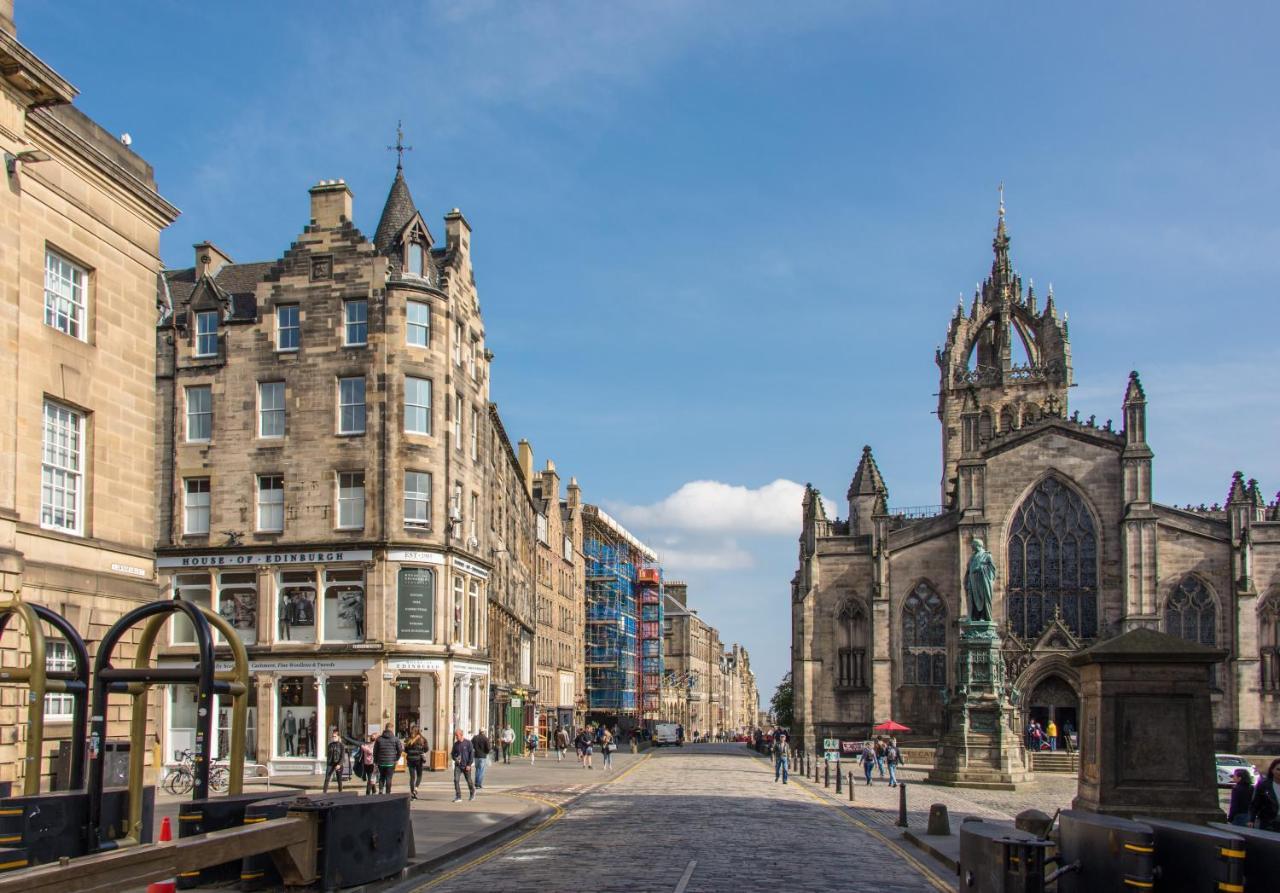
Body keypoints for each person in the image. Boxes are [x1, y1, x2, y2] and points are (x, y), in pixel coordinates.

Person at [372, 724, 403, 795]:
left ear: (385, 729)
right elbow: (400, 750)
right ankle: (388, 793)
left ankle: (380, 790)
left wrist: (376, 761)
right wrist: (396, 758)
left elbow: (375, 751)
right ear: (392, 729)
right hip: (391, 762)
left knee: (381, 777)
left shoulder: (379, 739)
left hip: (381, 762)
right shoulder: (395, 739)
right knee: (389, 778)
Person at [1250, 758, 1280, 831]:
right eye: (1278, 769)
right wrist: (1251, 820)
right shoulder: (1264, 785)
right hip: (1269, 824)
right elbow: (1255, 804)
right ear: (1272, 770)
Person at [450, 728, 476, 802]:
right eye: (455, 736)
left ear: (461, 735)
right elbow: (452, 754)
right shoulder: (455, 744)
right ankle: (458, 796)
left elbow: (471, 755)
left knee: (469, 780)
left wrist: (469, 765)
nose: (456, 737)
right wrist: (455, 758)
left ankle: (472, 792)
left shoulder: (468, 743)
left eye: (457, 735)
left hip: (466, 766)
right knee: (456, 780)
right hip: (458, 766)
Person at [404, 726, 427, 800]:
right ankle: (416, 789)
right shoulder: (422, 739)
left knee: (412, 777)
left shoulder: (408, 740)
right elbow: (426, 748)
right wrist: (421, 752)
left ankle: (412, 793)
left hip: (410, 760)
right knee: (419, 775)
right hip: (418, 760)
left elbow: (405, 750)